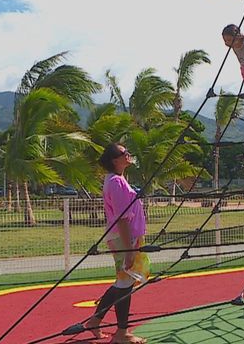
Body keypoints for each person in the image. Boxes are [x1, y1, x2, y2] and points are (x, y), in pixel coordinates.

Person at [85, 143, 149, 344]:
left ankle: (95, 320)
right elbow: (122, 217)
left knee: (123, 282)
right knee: (125, 283)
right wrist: (129, 250)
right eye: (124, 153)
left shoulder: (118, 179)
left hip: (126, 236)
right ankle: (121, 333)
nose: (128, 154)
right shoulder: (116, 182)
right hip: (124, 237)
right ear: (115, 159)